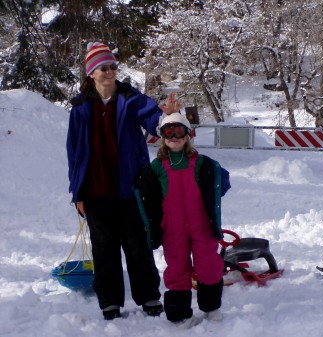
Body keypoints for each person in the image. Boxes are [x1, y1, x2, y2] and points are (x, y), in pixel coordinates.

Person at [66, 42, 181, 320]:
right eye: (103, 68)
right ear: (91, 73)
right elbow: (74, 153)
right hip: (95, 192)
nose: (109, 72)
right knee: (104, 249)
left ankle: (150, 298)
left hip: (131, 190)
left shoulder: (130, 98)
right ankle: (110, 302)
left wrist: (168, 116)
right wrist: (78, 193)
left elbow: (154, 119)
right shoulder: (80, 108)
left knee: (137, 246)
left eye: (113, 67)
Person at [135, 113, 231, 328]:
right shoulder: (157, 167)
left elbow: (220, 180)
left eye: (179, 132)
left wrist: (214, 195)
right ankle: (180, 314)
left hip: (201, 224)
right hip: (173, 227)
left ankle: (211, 306)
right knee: (177, 267)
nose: (174, 137)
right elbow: (145, 193)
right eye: (168, 133)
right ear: (162, 137)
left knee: (208, 264)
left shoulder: (201, 163)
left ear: (187, 135)